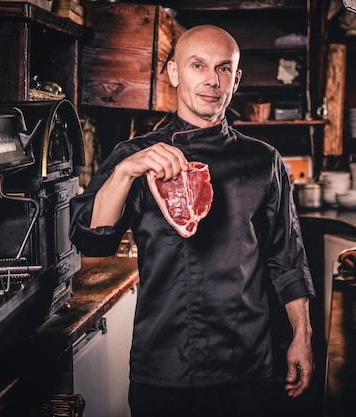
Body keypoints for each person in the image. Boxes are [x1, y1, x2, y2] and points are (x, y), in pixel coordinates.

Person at [69, 24, 316, 417]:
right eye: (198, 65)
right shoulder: (135, 156)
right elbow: (93, 243)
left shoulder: (264, 160)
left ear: (235, 79)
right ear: (174, 73)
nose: (211, 80)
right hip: (163, 364)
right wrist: (123, 173)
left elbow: (287, 259)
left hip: (247, 364)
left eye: (223, 69)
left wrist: (302, 335)